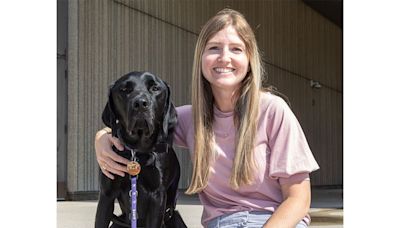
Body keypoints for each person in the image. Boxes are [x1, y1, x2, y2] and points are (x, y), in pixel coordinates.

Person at [95, 8, 319, 228]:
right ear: (201, 58)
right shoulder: (190, 119)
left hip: (276, 221)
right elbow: (141, 124)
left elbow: (299, 199)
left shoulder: (273, 110)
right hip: (223, 223)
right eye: (214, 48)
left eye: (236, 49)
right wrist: (102, 138)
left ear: (250, 59)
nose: (224, 58)